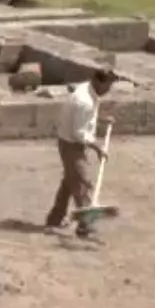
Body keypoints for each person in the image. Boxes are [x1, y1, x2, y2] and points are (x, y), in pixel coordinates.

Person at [46, 68, 115, 238]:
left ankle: (55, 218)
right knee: (83, 183)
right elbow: (80, 132)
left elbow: (84, 117)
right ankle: (85, 226)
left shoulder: (89, 91)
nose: (109, 89)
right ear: (99, 82)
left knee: (70, 182)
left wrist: (100, 119)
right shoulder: (84, 100)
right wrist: (98, 148)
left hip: (71, 142)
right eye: (108, 85)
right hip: (71, 145)